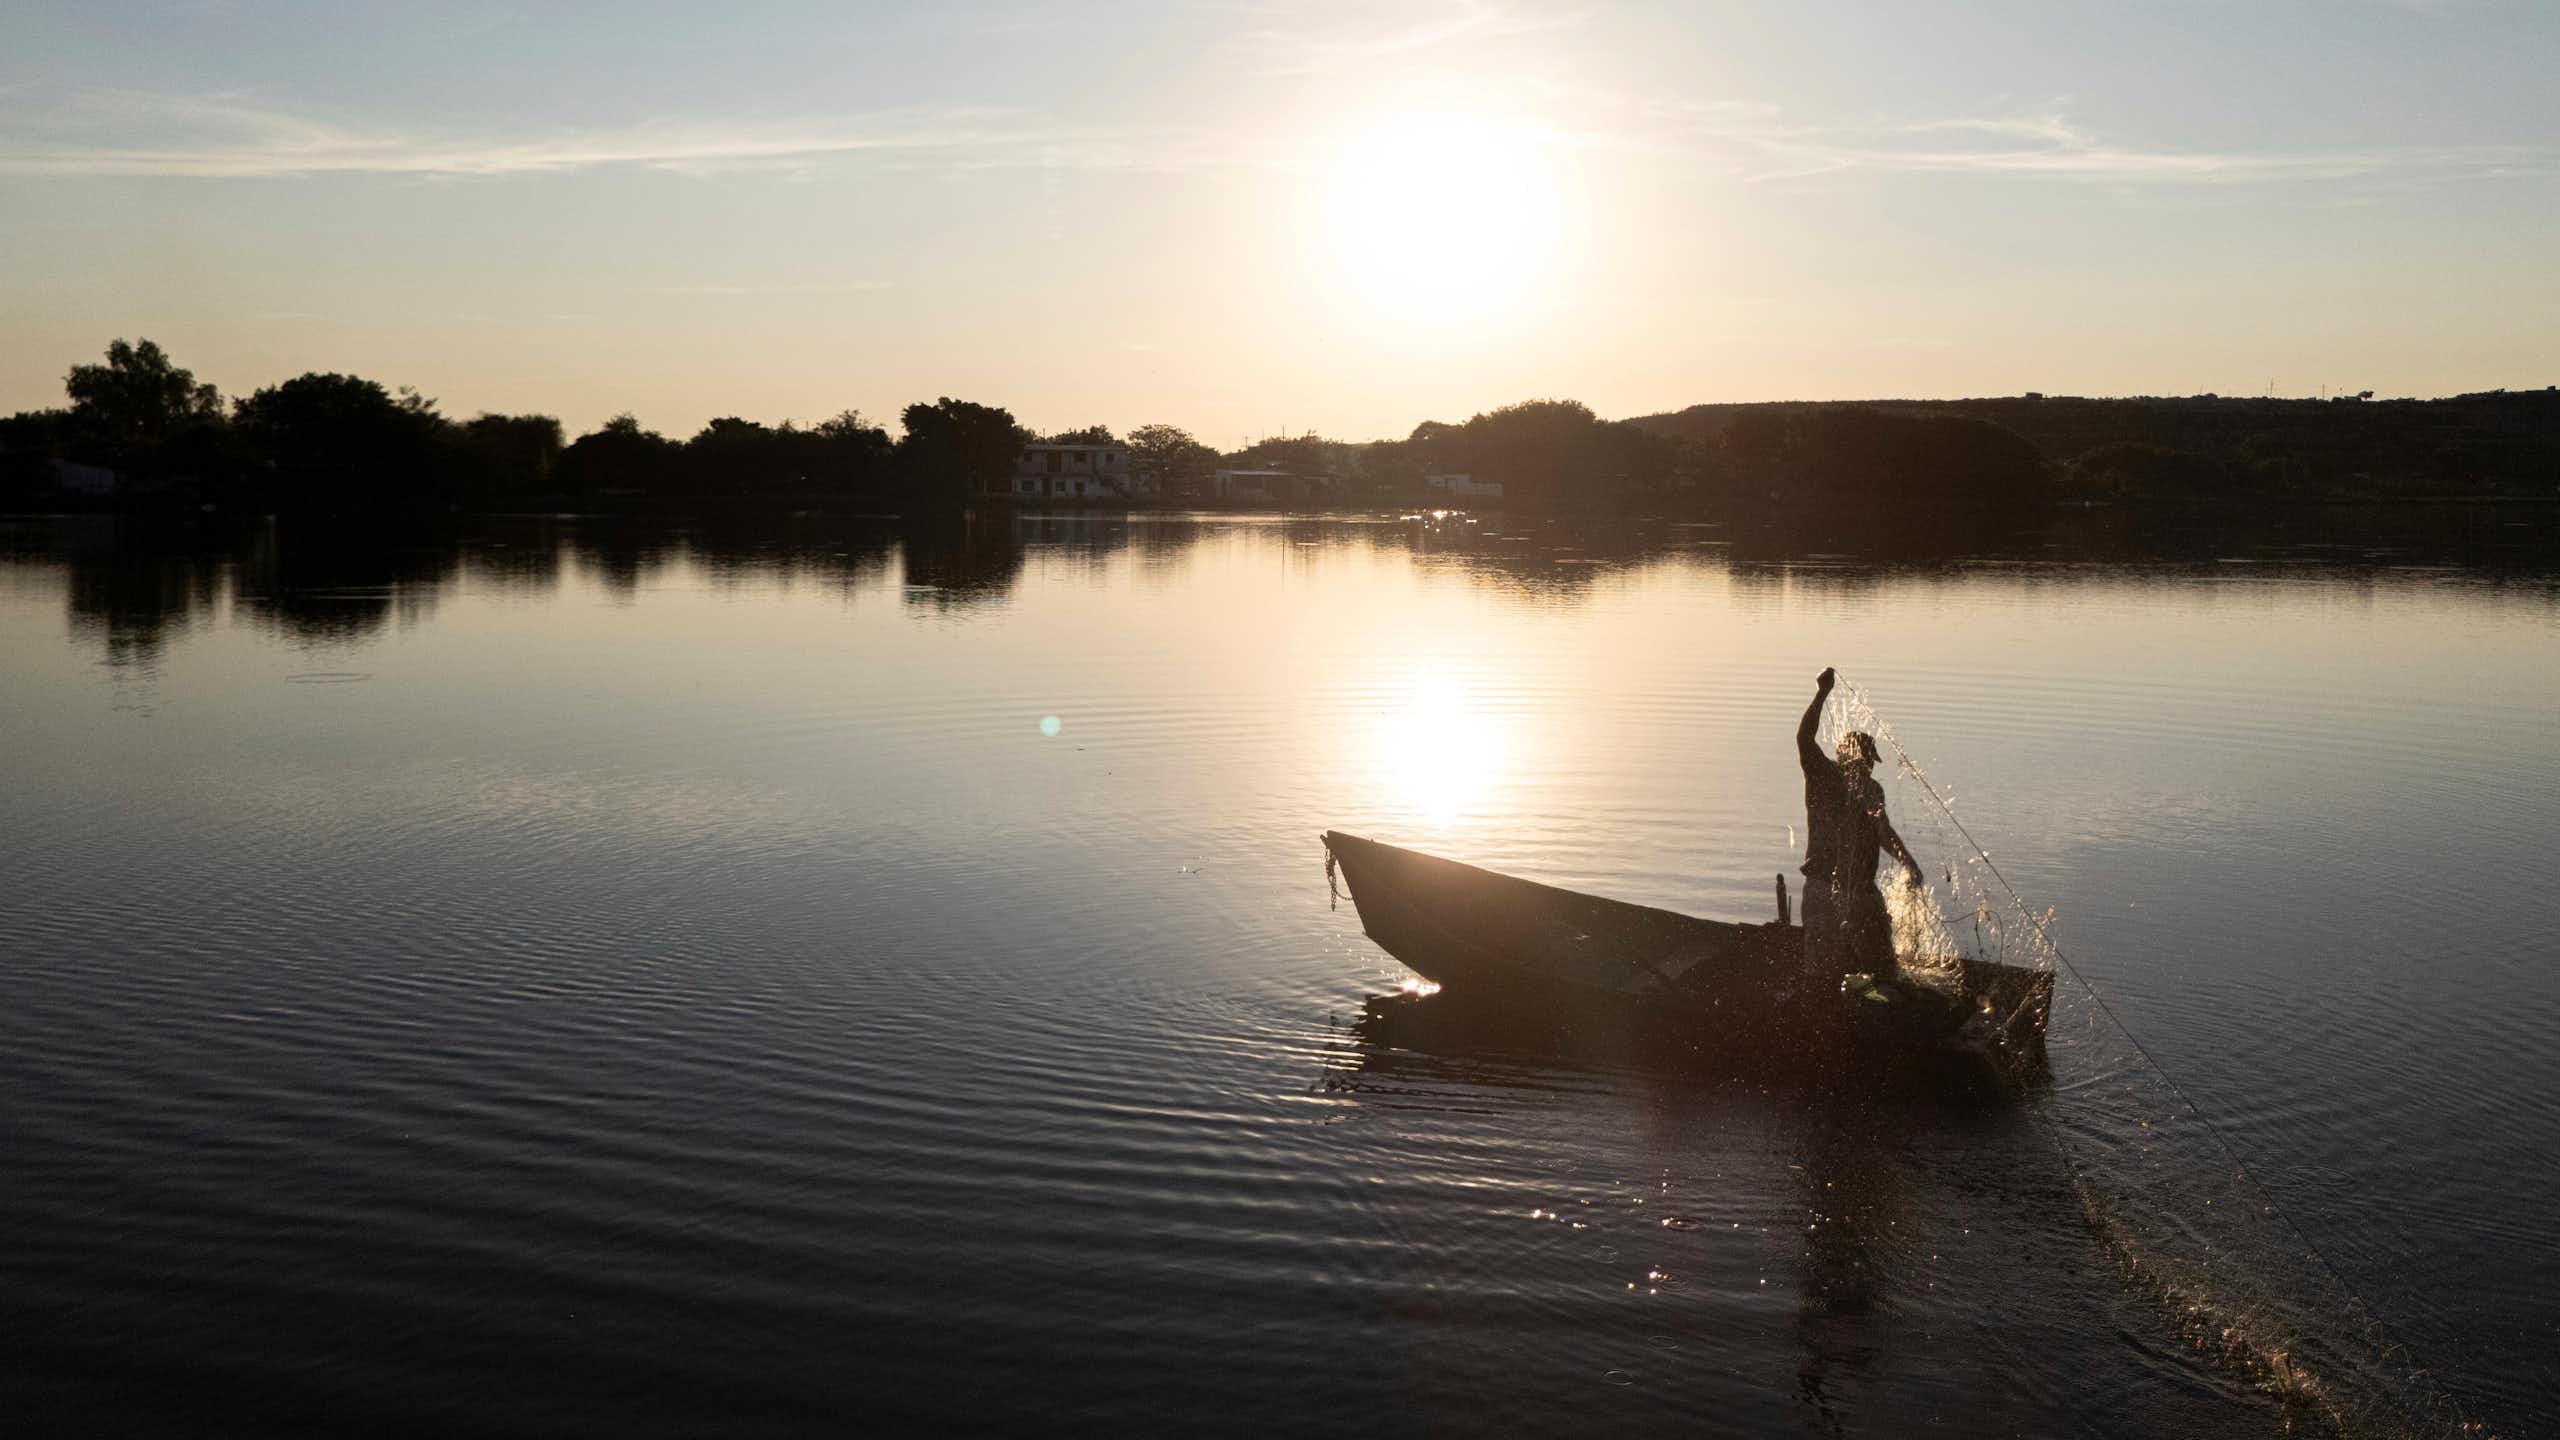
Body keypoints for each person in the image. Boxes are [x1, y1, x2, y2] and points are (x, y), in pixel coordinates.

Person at [1796, 667, 1922, 978]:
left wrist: (1907, 861)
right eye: (1864, 761)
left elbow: (1883, 831)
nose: (1867, 767)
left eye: (1870, 763)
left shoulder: (1872, 790)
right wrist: (1822, 693)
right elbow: (1804, 737)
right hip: (1825, 887)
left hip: (1864, 891)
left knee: (1882, 964)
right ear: (1846, 757)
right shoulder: (1822, 776)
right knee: (1823, 969)